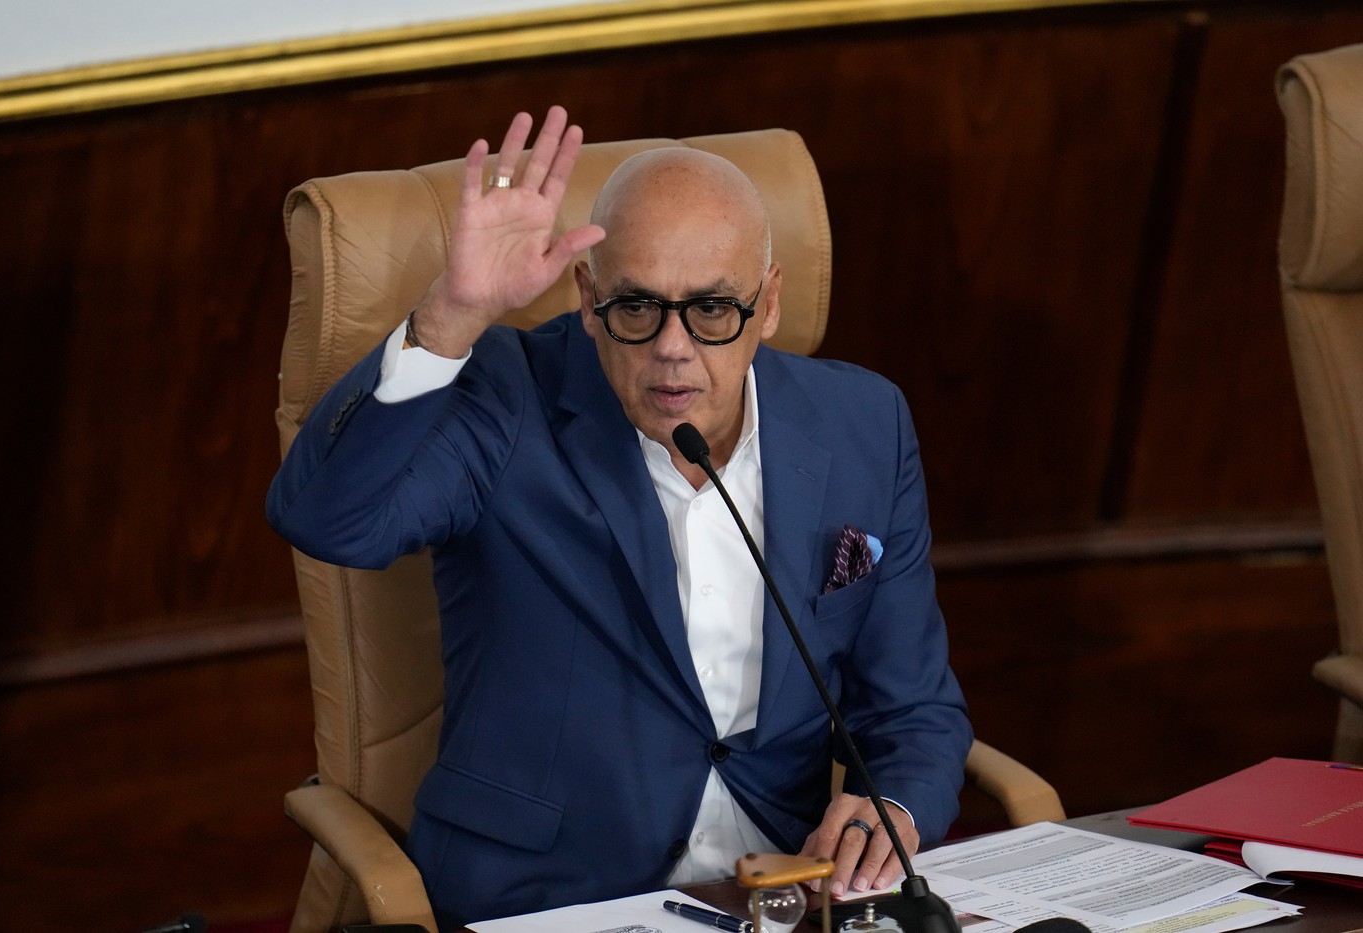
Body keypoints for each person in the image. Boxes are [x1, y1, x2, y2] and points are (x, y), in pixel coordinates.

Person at [267, 106, 972, 928]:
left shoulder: (862, 423)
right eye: (636, 307)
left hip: (784, 888)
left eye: (713, 309)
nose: (672, 347)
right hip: (553, 898)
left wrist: (894, 804)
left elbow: (912, 707)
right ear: (587, 295)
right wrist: (451, 314)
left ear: (770, 301)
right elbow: (327, 519)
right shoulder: (507, 397)